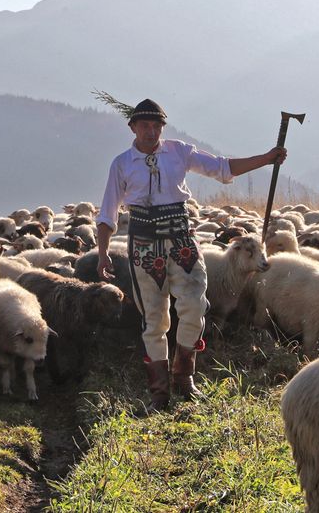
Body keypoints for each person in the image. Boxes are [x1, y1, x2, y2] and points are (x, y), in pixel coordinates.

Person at [96, 98, 286, 413]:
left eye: (157, 125)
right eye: (145, 125)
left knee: (196, 307)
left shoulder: (179, 151)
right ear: (133, 128)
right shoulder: (121, 164)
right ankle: (159, 392)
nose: (151, 131)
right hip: (144, 245)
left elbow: (222, 167)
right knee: (154, 319)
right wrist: (103, 253)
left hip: (182, 239)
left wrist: (266, 159)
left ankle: (183, 377)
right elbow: (107, 213)